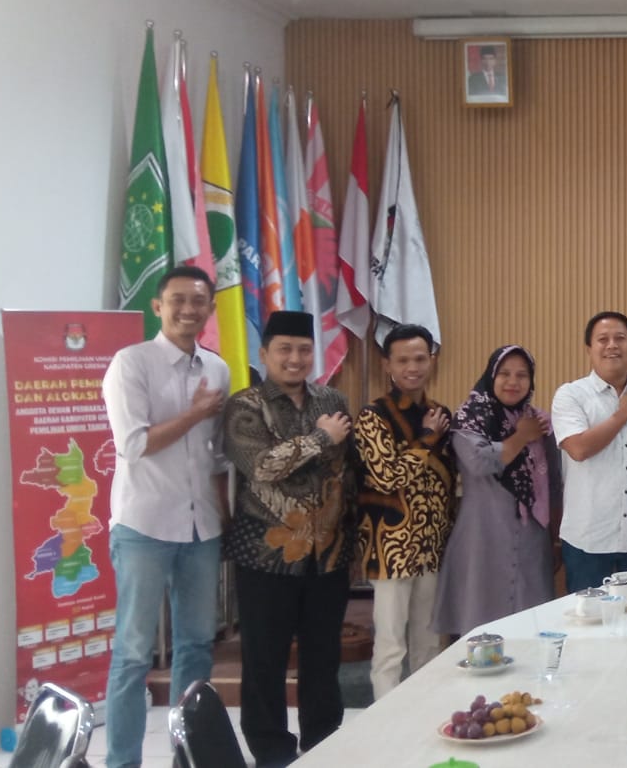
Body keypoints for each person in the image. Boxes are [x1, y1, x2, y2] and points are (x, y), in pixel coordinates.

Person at [100, 265, 230, 768]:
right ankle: (123, 762)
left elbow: (217, 456)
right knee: (133, 654)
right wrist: (194, 414)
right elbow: (134, 445)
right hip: (144, 526)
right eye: (178, 300)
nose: (188, 309)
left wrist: (226, 514)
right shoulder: (131, 363)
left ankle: (187, 756)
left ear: (210, 309)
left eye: (198, 301)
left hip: (202, 528)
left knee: (196, 647)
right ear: (158, 306)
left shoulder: (217, 368)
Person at [222, 311, 356, 767]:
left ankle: (323, 741)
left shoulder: (332, 399)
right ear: (264, 354)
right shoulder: (245, 405)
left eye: (303, 349)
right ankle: (271, 750)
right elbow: (261, 466)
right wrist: (320, 438)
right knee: (265, 659)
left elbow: (345, 474)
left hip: (328, 554)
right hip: (266, 555)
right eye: (284, 349)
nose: (295, 358)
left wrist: (351, 541)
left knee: (323, 657)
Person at [354, 324, 455, 701]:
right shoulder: (373, 416)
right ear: (387, 365)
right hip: (390, 547)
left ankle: (424, 718)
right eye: (402, 360)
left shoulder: (440, 413)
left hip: (432, 546)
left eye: (420, 359)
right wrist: (427, 438)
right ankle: (386, 727)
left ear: (432, 360)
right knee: (390, 647)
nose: (412, 368)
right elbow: (387, 477)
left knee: (429, 644)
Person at [434, 345, 562, 636]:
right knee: (480, 630)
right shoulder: (470, 417)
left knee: (531, 630)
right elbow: (479, 462)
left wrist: (555, 540)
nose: (513, 382)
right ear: (491, 376)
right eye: (504, 373)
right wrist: (521, 436)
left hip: (532, 542)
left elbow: (554, 482)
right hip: (482, 540)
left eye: (522, 375)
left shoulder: (540, 422)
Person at [552, 311, 627, 593]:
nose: (612, 345)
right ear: (589, 348)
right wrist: (623, 415)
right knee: (588, 617)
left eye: (620, 338)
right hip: (587, 538)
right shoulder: (570, 395)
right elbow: (579, 449)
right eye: (602, 339)